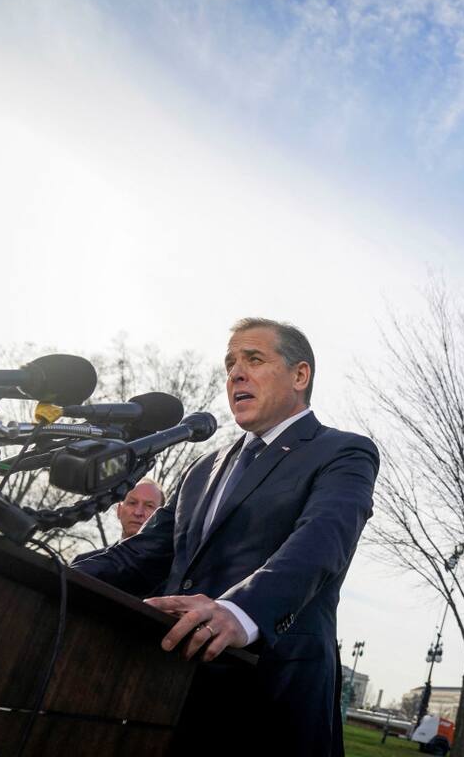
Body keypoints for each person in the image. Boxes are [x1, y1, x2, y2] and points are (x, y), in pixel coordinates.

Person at [73, 318, 378, 756]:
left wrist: (241, 610)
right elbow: (143, 555)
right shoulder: (203, 469)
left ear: (300, 375)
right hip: (169, 693)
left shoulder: (344, 452)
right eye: (230, 363)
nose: (236, 373)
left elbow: (321, 542)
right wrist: (60, 573)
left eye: (253, 359)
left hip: (271, 698)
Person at [70, 479, 165, 564]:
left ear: (161, 516)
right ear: (119, 510)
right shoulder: (83, 563)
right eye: (132, 503)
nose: (138, 512)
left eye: (149, 506)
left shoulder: (172, 574)